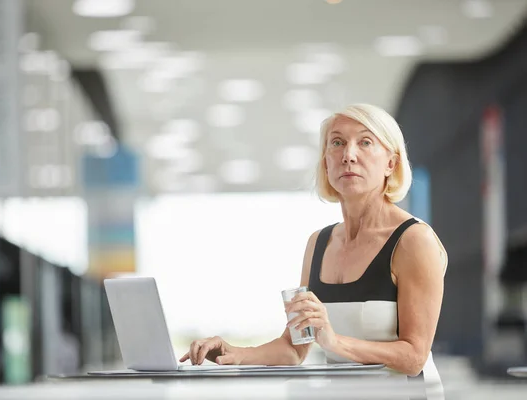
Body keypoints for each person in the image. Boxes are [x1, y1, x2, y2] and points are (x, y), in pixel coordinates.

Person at [179, 103, 448, 382]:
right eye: (337, 143)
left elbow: (414, 357)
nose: (349, 155)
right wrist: (233, 352)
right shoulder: (318, 243)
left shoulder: (414, 240)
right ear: (326, 163)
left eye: (365, 142)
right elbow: (295, 348)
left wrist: (335, 342)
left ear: (390, 163)